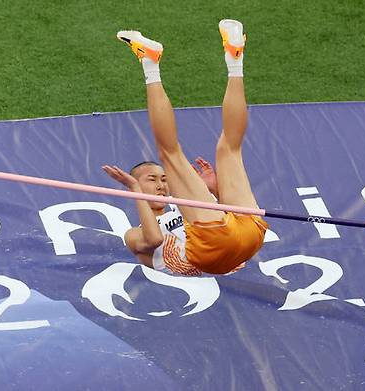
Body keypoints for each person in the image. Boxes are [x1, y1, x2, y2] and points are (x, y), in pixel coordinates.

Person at [103, 19, 268, 275]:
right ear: (135, 185)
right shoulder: (134, 234)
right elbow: (155, 240)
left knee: (230, 148)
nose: (160, 184)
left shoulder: (185, 205)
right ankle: (150, 63)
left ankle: (235, 58)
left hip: (243, 236)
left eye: (163, 179)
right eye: (150, 179)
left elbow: (226, 225)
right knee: (171, 153)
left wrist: (217, 191)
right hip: (229, 243)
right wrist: (135, 190)